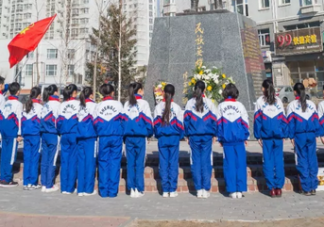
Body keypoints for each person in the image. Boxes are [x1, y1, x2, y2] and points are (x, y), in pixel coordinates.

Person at [254, 79, 287, 198]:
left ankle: (271, 188)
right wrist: (284, 133)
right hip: (278, 135)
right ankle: (279, 187)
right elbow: (283, 119)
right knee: (278, 161)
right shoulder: (278, 100)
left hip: (266, 136)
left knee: (268, 161)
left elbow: (257, 120)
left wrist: (258, 136)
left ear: (263, 88)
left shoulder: (259, 101)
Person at [184, 80, 217, 199]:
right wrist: (214, 134)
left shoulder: (189, 103)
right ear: (204, 90)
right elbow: (214, 120)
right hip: (207, 136)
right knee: (206, 161)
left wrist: (186, 135)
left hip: (194, 136)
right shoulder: (210, 103)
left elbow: (186, 121)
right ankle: (205, 188)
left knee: (195, 162)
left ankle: (198, 189)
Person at [217, 83, 249, 199]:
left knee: (229, 165)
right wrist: (246, 136)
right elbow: (245, 122)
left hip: (227, 140)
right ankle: (240, 190)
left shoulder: (221, 106)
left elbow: (219, 124)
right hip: (239, 139)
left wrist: (220, 138)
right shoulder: (240, 106)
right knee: (240, 164)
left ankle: (231, 190)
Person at [288, 83, 320, 196]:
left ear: (295, 92)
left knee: (302, 160)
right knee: (312, 160)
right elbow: (316, 120)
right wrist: (316, 134)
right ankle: (313, 186)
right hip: (311, 134)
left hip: (300, 135)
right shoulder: (311, 103)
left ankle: (306, 187)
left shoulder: (292, 105)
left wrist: (291, 136)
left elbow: (290, 122)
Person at [154, 84, 184, 198]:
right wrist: (179, 135)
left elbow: (155, 124)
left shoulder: (158, 107)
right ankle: (172, 189)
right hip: (174, 138)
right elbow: (180, 125)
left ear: (163, 93)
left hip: (162, 138)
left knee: (163, 163)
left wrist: (159, 134)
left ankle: (165, 190)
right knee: (173, 163)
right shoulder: (176, 107)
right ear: (174, 94)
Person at [123, 82, 153, 198]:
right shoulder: (144, 103)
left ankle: (131, 189)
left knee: (130, 163)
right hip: (140, 137)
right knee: (139, 163)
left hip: (129, 137)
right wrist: (149, 133)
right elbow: (148, 120)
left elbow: (123, 121)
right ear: (140, 90)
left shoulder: (127, 104)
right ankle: (139, 188)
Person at [94, 84, 124, 198]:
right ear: (112, 92)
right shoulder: (118, 104)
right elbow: (123, 120)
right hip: (116, 136)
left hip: (103, 137)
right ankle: (112, 191)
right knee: (115, 163)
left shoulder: (99, 105)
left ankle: (103, 190)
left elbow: (95, 121)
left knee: (103, 163)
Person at [57, 84, 80, 194]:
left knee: (64, 161)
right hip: (74, 134)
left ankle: (64, 187)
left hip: (64, 135)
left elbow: (58, 122)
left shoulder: (62, 105)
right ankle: (70, 187)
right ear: (74, 93)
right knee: (73, 161)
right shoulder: (78, 104)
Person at [0, 82, 23, 187]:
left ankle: (2, 176)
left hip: (4, 131)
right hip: (12, 132)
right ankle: (7, 179)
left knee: (4, 154)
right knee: (11, 156)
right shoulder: (18, 104)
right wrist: (19, 134)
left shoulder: (5, 102)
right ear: (18, 92)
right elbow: (19, 119)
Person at [77, 87, 97, 197]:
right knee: (90, 163)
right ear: (91, 94)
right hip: (90, 137)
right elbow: (96, 121)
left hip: (80, 136)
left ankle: (80, 189)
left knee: (81, 163)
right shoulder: (94, 106)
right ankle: (88, 189)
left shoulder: (80, 105)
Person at [40, 84, 61, 192]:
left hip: (44, 134)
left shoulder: (45, 104)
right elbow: (59, 121)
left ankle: (44, 183)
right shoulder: (57, 105)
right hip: (53, 134)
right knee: (52, 160)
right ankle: (49, 185)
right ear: (56, 92)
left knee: (44, 159)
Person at [22, 87, 43, 190]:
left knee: (27, 158)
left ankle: (26, 182)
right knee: (34, 158)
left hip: (26, 134)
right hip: (35, 134)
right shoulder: (39, 107)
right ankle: (33, 182)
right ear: (39, 95)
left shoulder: (26, 105)